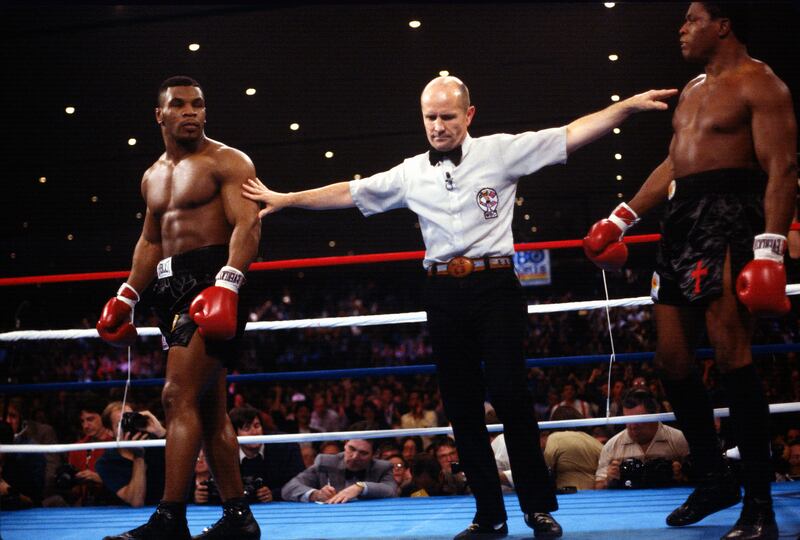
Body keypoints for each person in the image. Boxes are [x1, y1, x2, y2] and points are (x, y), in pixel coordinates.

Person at [243, 74, 676, 538]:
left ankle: (536, 508)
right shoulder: (410, 172)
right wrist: (288, 198)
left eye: (447, 116)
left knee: (511, 395)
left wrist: (627, 107)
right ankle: (489, 514)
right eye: (430, 117)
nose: (438, 125)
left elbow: (570, 134)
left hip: (496, 286)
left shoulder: (500, 152)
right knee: (462, 407)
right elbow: (350, 192)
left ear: (468, 115)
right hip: (443, 291)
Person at [583, 3, 797, 538]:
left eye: (692, 19)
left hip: (731, 218)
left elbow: (783, 167)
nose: (682, 28)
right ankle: (715, 477)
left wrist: (769, 251)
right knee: (671, 360)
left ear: (723, 25)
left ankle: (760, 505)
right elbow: (676, 162)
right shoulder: (694, 89)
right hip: (681, 221)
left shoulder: (761, 84)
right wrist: (622, 218)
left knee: (731, 355)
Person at [95, 75, 261, 540]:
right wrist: (127, 295)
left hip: (212, 279)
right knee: (209, 410)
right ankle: (239, 518)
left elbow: (248, 224)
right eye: (180, 104)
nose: (190, 111)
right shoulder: (152, 175)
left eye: (198, 104)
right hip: (168, 288)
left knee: (175, 395)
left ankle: (170, 518)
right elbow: (151, 241)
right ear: (160, 115)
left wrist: (229, 282)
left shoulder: (228, 161)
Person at [594, 389, 689, 490]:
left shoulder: (679, 439)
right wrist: (608, 480)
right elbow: (598, 487)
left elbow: (698, 480)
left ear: (655, 415)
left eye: (639, 420)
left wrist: (682, 476)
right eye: (627, 420)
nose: (633, 426)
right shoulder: (612, 446)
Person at [280, 426, 396, 503]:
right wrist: (315, 494)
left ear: (375, 454)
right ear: (345, 444)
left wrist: (360, 487)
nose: (354, 457)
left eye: (363, 453)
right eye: (351, 449)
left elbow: (391, 490)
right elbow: (289, 488)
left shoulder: (383, 467)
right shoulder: (325, 462)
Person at [95, 402, 167, 508]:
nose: (128, 426)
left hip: (165, 510)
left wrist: (161, 432)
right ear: (110, 432)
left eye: (131, 420)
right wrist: (139, 456)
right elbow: (136, 501)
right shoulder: (106, 463)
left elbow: (189, 463)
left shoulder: (156, 445)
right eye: (121, 423)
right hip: (129, 516)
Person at [228, 406, 305, 503]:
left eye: (257, 426)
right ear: (235, 433)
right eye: (246, 428)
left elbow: (300, 481)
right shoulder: (225, 453)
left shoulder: (286, 447)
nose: (254, 432)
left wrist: (274, 494)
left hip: (281, 506)